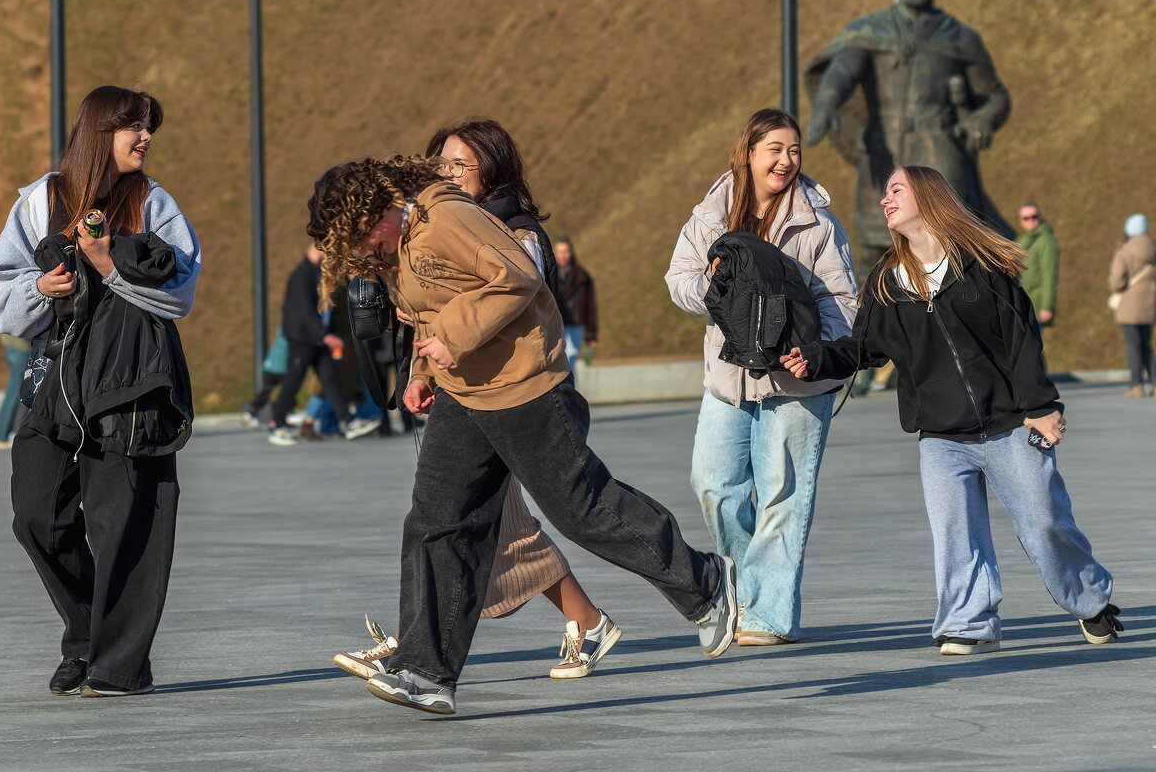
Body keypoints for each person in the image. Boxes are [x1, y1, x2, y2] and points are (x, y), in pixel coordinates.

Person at [308, 156, 738, 715]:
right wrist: (421, 373)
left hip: (525, 386)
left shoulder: (445, 219)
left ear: (381, 208)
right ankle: (424, 671)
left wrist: (453, 339)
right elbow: (428, 313)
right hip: (464, 392)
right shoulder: (399, 245)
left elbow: (517, 273)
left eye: (368, 235)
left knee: (579, 506)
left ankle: (704, 582)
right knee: (437, 522)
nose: (369, 248)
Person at [781, 165, 1123, 655]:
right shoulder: (887, 282)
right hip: (941, 437)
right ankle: (968, 623)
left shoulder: (981, 266)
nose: (885, 200)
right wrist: (813, 358)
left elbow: (1021, 339)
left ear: (928, 195)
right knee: (955, 533)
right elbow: (862, 348)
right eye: (885, 193)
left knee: (1046, 523)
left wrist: (1041, 405)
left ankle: (1091, 603)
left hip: (1009, 424)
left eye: (895, 189)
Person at [335, 121, 619, 683]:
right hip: (464, 401)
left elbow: (508, 305)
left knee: (492, 530)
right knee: (459, 527)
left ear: (490, 168)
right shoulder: (441, 228)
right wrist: (423, 369)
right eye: (439, 165)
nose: (445, 176)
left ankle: (423, 650)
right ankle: (425, 646)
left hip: (519, 401)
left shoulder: (517, 232)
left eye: (458, 166)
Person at [0, 85, 201, 696]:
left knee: (126, 526)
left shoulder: (153, 203)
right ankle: (87, 635)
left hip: (131, 384)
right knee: (36, 516)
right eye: (132, 125)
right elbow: (5, 298)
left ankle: (118, 666)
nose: (146, 136)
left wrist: (109, 267)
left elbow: (180, 294)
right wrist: (41, 290)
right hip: (52, 380)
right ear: (97, 131)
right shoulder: (39, 200)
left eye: (149, 126)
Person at [666, 108, 858, 646]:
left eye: (794, 150)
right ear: (748, 152)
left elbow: (841, 299)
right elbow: (676, 277)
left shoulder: (818, 222)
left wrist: (815, 349)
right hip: (729, 374)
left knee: (783, 495)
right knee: (713, 484)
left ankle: (768, 614)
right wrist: (711, 288)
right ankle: (746, 592)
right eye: (774, 148)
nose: (786, 160)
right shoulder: (714, 211)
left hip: (798, 381)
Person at [805, 0, 1013, 278]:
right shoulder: (871, 30)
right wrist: (826, 105)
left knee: (948, 245)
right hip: (884, 155)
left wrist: (982, 119)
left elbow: (996, 96)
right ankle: (874, 321)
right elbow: (844, 69)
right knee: (878, 255)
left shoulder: (958, 37)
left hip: (940, 154)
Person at [267, 243, 379, 446]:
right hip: (303, 338)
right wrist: (325, 335)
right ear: (318, 249)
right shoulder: (302, 275)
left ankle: (349, 422)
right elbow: (305, 312)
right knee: (293, 380)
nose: (331, 258)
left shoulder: (315, 273)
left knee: (330, 380)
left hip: (317, 339)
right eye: (329, 253)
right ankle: (278, 424)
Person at [1109, 213, 1155, 398]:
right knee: (1147, 345)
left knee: (1133, 345)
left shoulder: (1124, 251)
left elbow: (1117, 282)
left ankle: (1137, 385)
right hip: (1151, 303)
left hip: (1129, 305)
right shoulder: (1154, 249)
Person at [553, 239, 598, 368]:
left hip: (575, 324)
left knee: (570, 358)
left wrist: (591, 335)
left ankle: (570, 387)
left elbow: (590, 307)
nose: (563, 255)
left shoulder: (582, 277)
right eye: (560, 252)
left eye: (566, 251)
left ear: (571, 252)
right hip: (556, 323)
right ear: (555, 253)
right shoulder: (548, 274)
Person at [1017, 203, 1059, 330]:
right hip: (1023, 302)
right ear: (1021, 221)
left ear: (1040, 217)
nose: (1031, 221)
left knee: (1034, 347)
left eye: (1034, 216)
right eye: (1026, 218)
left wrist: (1047, 306)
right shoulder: (1023, 239)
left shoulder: (1046, 241)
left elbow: (1049, 275)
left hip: (1037, 303)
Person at [0, 333, 30, 449]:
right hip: (21, 347)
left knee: (14, 391)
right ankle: (3, 436)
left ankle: (1, 436)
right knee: (16, 392)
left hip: (11, 346)